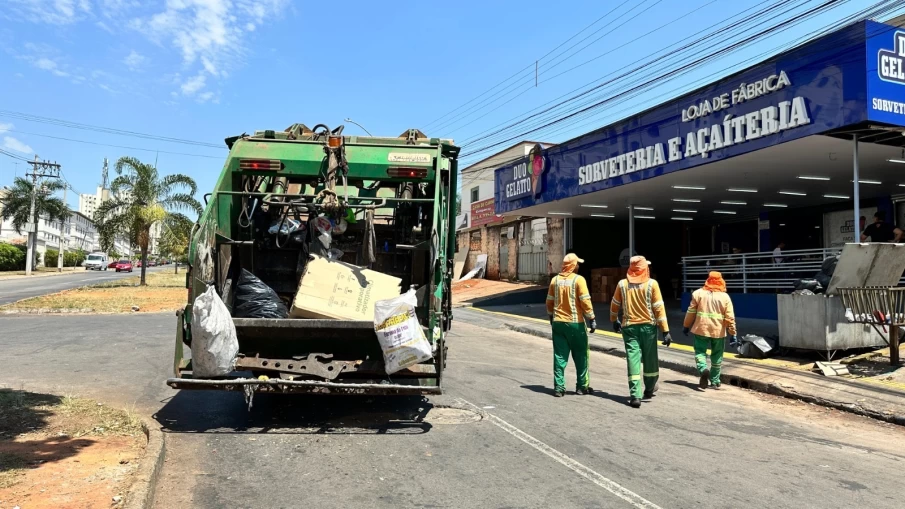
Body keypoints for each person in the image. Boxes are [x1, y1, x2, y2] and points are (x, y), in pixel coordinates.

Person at [609, 256, 672, 408]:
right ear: (645, 269)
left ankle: (635, 395)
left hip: (629, 328)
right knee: (650, 359)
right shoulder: (652, 284)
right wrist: (665, 331)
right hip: (648, 328)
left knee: (633, 359)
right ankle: (649, 389)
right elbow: (659, 308)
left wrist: (614, 320)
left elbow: (615, 304)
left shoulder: (622, 284)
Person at [546, 253, 596, 398]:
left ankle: (559, 388)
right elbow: (585, 301)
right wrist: (592, 318)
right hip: (575, 324)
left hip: (558, 324)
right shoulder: (578, 280)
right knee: (581, 356)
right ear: (573, 266)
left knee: (559, 356)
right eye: (577, 264)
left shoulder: (555, 280)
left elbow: (549, 301)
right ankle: (582, 386)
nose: (579, 266)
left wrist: (551, 316)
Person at [682, 271, 737, 390]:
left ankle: (703, 369)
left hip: (701, 329)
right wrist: (733, 333)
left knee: (700, 352)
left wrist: (686, 326)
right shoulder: (725, 297)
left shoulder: (698, 294)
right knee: (717, 355)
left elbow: (690, 312)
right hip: (718, 332)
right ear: (721, 282)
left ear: (708, 280)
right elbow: (730, 317)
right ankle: (715, 380)